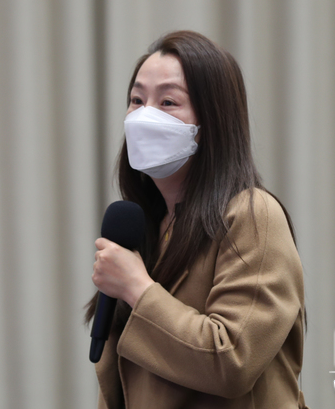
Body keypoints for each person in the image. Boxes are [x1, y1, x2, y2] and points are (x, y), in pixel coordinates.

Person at [86, 30, 307, 409]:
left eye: (168, 102)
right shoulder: (148, 225)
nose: (144, 115)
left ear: (212, 121)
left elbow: (232, 360)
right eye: (136, 100)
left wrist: (137, 287)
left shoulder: (253, 214)